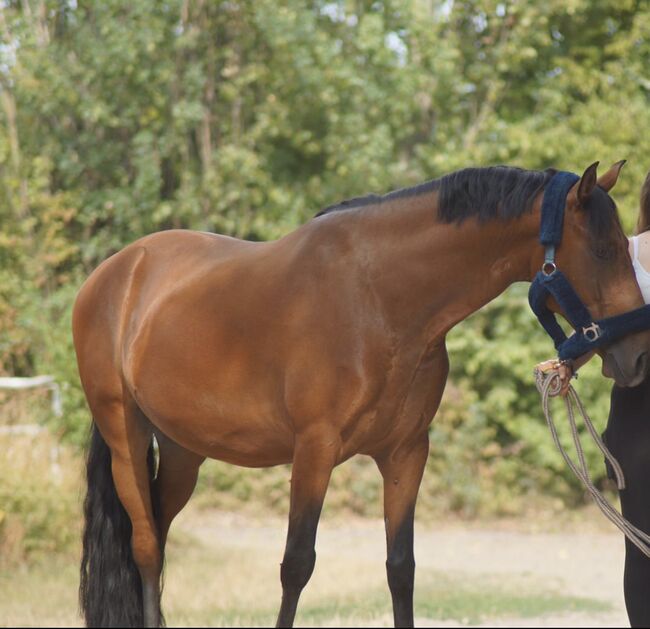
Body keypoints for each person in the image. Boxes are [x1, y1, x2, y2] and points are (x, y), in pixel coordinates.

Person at [602, 171, 650, 628]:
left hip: (633, 409)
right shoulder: (626, 252)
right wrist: (567, 361)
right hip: (637, 405)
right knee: (640, 543)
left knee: (641, 546)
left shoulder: (628, 254)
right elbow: (601, 319)